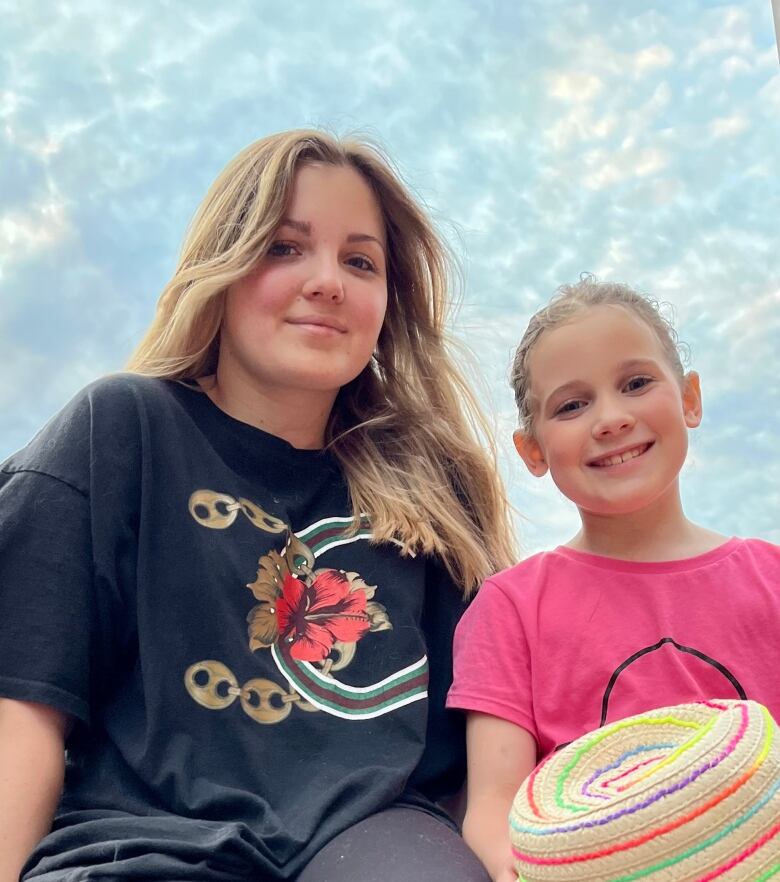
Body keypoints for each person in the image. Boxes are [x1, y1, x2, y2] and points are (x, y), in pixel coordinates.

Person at [0, 130, 516, 882]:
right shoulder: (118, 432)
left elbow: (488, 736)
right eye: (284, 247)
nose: (328, 281)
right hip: (144, 838)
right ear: (224, 265)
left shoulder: (434, 494)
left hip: (376, 834)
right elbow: (23, 707)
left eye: (360, 261)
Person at [446, 277, 780, 882]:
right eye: (572, 405)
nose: (611, 419)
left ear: (690, 399)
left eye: (635, 383)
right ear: (532, 451)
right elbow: (494, 807)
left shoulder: (772, 579)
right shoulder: (511, 608)